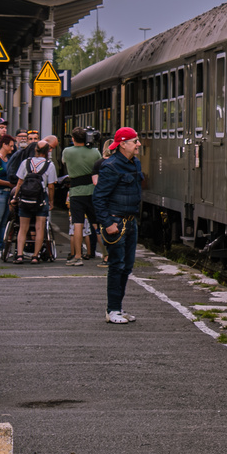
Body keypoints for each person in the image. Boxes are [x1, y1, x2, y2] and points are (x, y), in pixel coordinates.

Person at [94, 127, 144, 324]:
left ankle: (118, 309)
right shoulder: (111, 166)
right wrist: (107, 224)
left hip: (130, 221)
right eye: (135, 141)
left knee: (126, 267)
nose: (138, 144)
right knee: (117, 266)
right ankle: (112, 310)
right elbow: (98, 198)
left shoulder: (134, 163)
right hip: (116, 222)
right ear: (123, 144)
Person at [61, 128, 102, 264]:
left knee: (77, 224)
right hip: (92, 190)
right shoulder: (95, 152)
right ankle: (107, 255)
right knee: (96, 224)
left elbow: (64, 163)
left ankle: (77, 256)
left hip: (76, 192)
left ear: (73, 139)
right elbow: (100, 166)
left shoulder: (67, 151)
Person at [11, 140, 55, 263]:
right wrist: (51, 201)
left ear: (36, 150)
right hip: (41, 198)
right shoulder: (49, 165)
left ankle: (19, 255)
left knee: (23, 228)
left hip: (25, 198)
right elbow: (51, 186)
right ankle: (35, 256)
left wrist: (15, 197)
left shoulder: (26, 162)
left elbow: (19, 182)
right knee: (39, 228)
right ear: (47, 152)